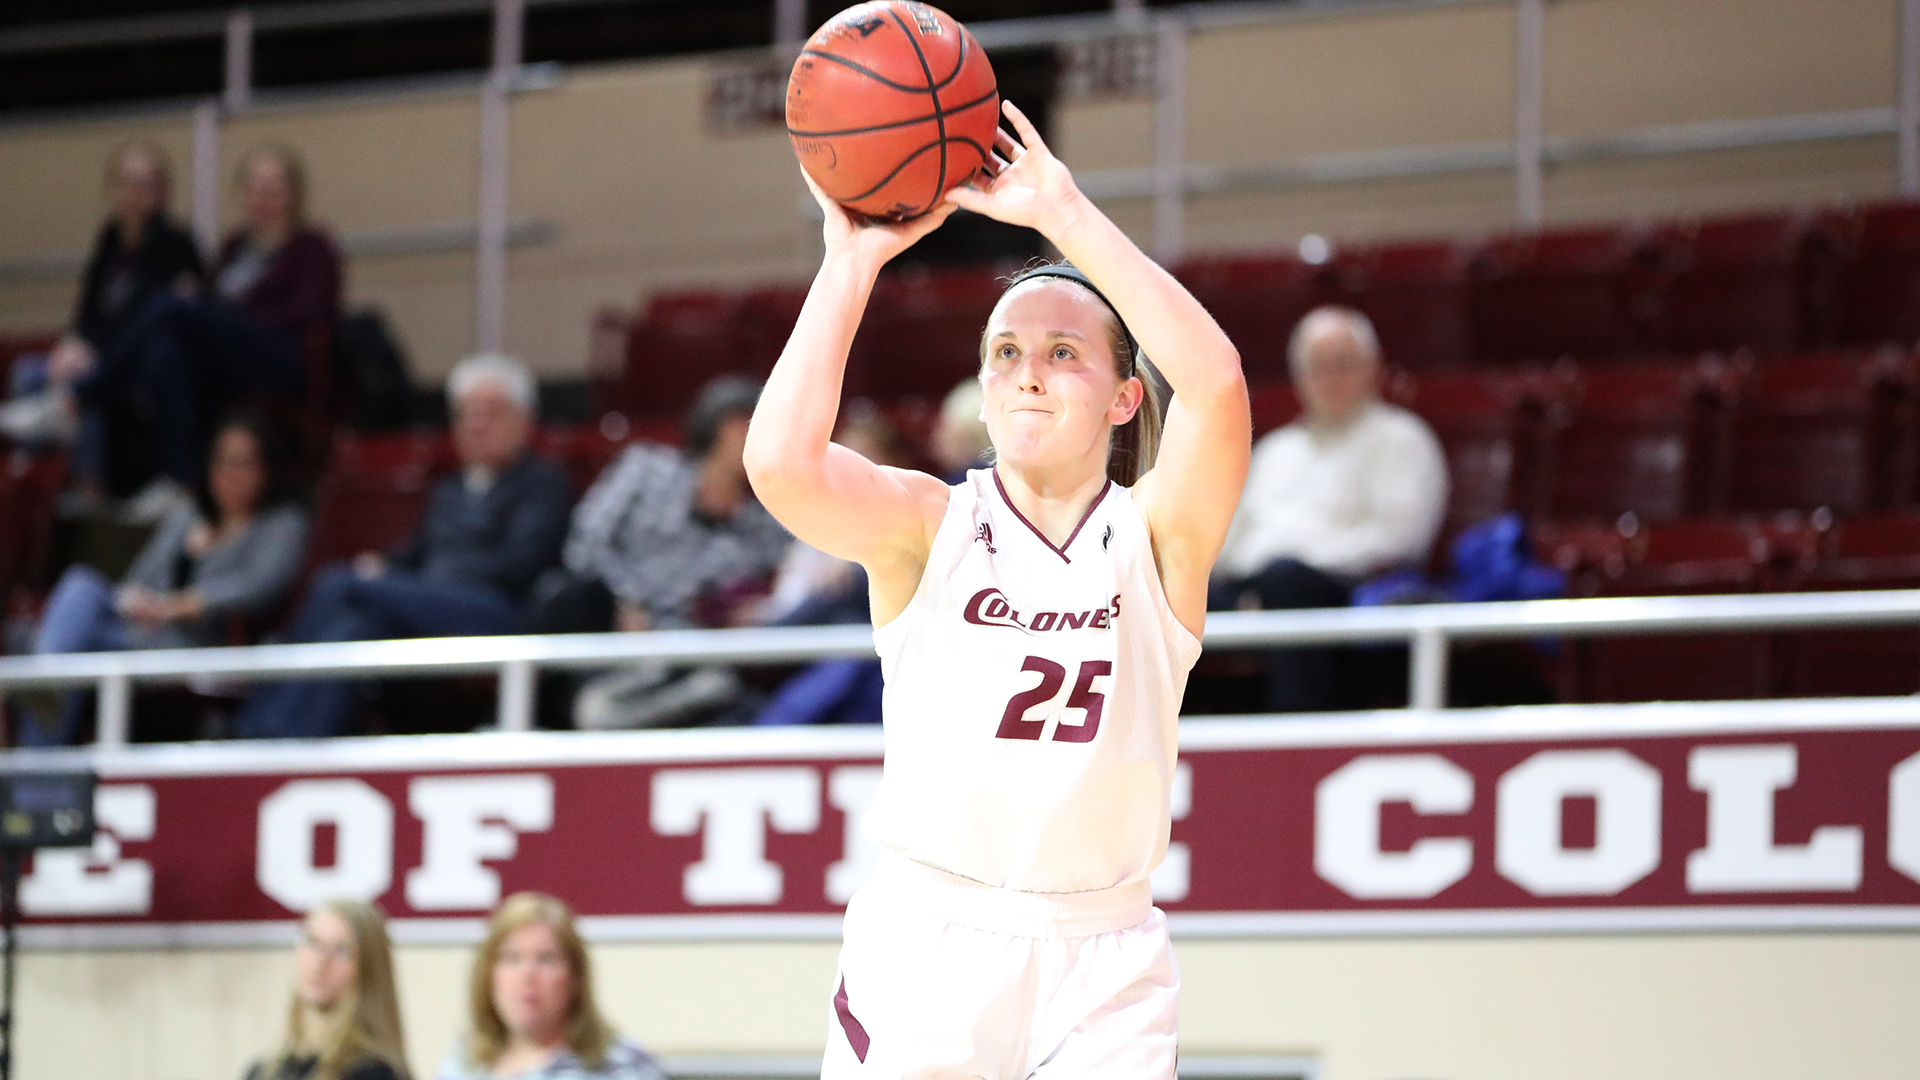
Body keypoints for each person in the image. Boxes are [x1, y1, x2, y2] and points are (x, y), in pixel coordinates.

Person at [743, 101, 1249, 1078]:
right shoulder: (927, 524)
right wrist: (849, 262)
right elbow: (780, 466)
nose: (1028, 374)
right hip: (933, 935)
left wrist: (1063, 214)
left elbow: (1217, 384)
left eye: (1064, 353)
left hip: (1105, 952)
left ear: (1125, 396)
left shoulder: (1158, 537)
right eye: (1006, 353)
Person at [232, 354, 571, 739]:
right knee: (355, 627)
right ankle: (279, 737)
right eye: (466, 414)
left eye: (491, 413)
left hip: (495, 612)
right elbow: (416, 552)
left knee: (338, 583)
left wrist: (425, 580)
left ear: (524, 420)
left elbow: (521, 565)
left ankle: (255, 715)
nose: (477, 425)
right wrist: (383, 565)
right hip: (429, 602)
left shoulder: (543, 485)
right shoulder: (449, 489)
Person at [20, 410, 309, 746]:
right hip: (142, 632)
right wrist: (136, 600)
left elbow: (260, 586)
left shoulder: (281, 523)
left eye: (241, 462)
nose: (228, 473)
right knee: (80, 585)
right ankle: (45, 689)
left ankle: (39, 744)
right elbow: (139, 578)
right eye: (221, 461)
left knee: (63, 647)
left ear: (267, 469)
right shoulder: (189, 514)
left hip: (199, 648)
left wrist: (182, 604)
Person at [1212, 305, 1448, 712]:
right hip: (1256, 587)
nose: (1330, 379)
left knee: (1290, 583)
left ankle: (1294, 729)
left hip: (1348, 591)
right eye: (1317, 367)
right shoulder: (1274, 450)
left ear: (1373, 368)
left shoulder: (1402, 440)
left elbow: (1401, 539)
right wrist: (1254, 585)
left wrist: (1291, 563)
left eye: (1343, 364)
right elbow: (1227, 542)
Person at [67, 145, 339, 495]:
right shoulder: (235, 247)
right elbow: (210, 302)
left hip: (281, 357)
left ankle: (79, 396)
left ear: (293, 193)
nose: (264, 197)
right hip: (231, 360)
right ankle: (178, 485)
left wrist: (227, 315)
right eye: (255, 186)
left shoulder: (312, 246)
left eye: (274, 188)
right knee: (164, 353)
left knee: (169, 304)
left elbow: (310, 313)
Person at [529, 375, 790, 729]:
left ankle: (611, 717)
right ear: (725, 428)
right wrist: (628, 598)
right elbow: (584, 542)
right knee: (560, 592)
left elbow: (793, 583)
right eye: (758, 428)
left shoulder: (766, 523)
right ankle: (528, 718)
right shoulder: (646, 468)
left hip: (683, 653)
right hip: (609, 626)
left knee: (722, 685)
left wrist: (753, 610)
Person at [0, 141, 204, 473]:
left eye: (144, 185)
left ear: (161, 191)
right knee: (28, 372)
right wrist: (74, 341)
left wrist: (93, 350)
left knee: (88, 380)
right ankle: (27, 472)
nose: (133, 194)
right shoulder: (110, 237)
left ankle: (89, 484)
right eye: (126, 183)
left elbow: (147, 316)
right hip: (94, 349)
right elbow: (88, 307)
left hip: (133, 362)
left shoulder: (175, 243)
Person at [438, 893, 666, 1080]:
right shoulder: (464, 1064)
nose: (527, 975)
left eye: (546, 959)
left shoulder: (620, 1065)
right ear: (488, 975)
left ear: (575, 977)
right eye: (512, 958)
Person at [245, 899, 408, 1080]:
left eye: (341, 950)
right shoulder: (262, 1072)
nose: (321, 961)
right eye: (313, 942)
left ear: (369, 969)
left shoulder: (376, 1073)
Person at [928, 377, 991, 483]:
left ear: (963, 434)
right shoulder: (1014, 480)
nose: (936, 434)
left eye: (943, 425)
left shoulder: (948, 489)